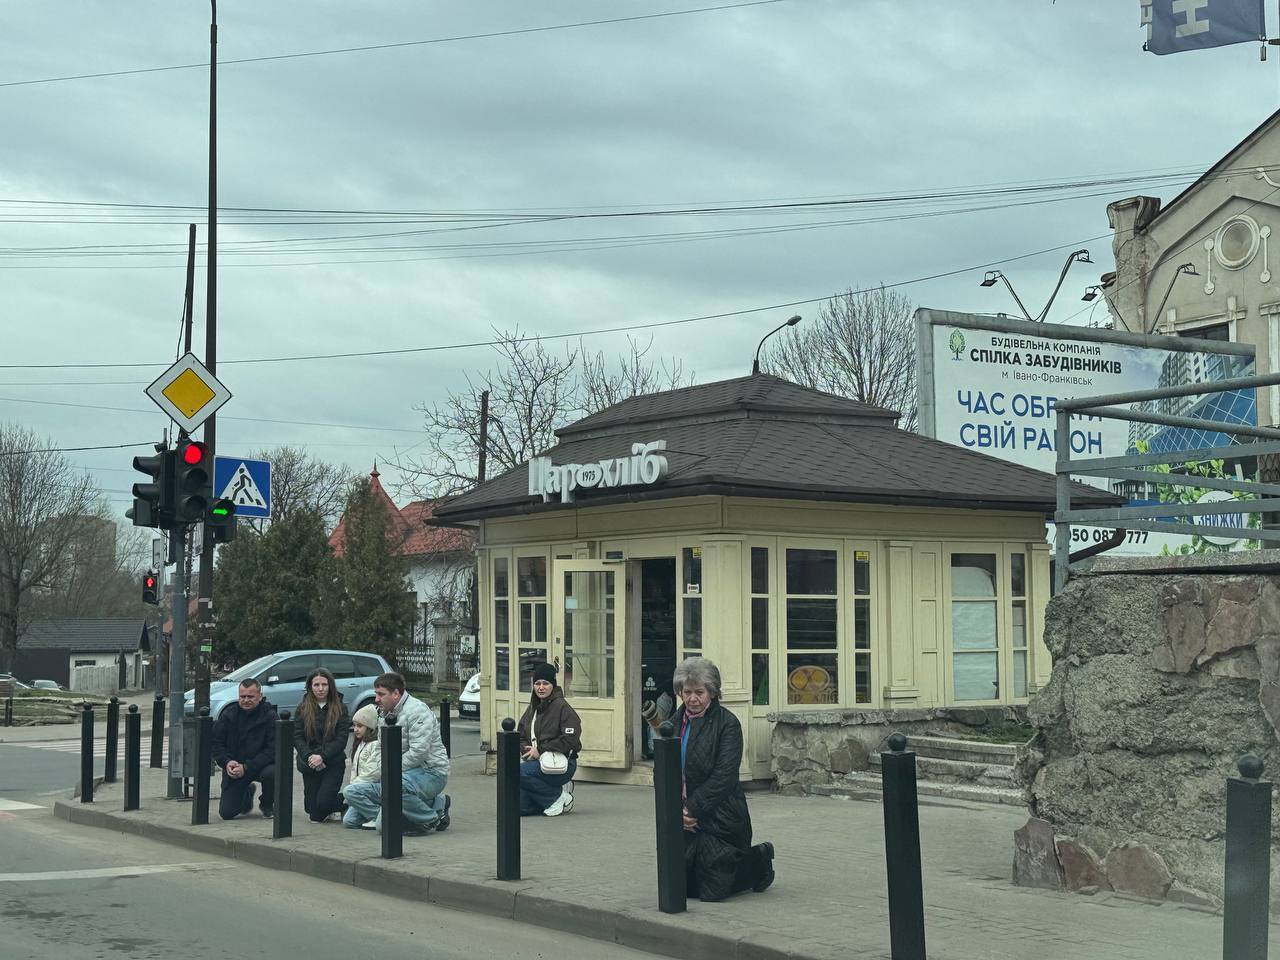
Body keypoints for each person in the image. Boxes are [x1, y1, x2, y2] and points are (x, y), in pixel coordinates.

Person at [673, 656, 775, 900]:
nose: (692, 699)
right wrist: (675, 810)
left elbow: (724, 776)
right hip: (684, 816)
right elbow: (663, 770)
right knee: (682, 887)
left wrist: (692, 809)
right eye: (687, 692)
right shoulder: (674, 723)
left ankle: (758, 860)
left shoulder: (727, 724)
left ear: (712, 692)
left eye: (699, 692)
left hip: (721, 816)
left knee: (713, 891)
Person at [343, 672, 451, 836]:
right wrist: (384, 767)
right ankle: (422, 806)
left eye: (381, 694)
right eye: (376, 694)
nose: (376, 699)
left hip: (430, 773)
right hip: (398, 774)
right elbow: (380, 748)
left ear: (395, 694)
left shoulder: (418, 711)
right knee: (351, 797)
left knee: (385, 824)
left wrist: (391, 771)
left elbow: (419, 752)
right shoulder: (384, 713)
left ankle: (430, 818)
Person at [516, 661, 581, 817]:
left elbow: (570, 739)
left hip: (562, 763)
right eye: (537, 683)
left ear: (553, 685)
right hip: (536, 762)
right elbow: (521, 734)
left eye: (545, 683)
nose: (541, 687)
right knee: (520, 808)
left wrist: (540, 750)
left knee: (515, 771)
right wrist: (527, 750)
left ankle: (557, 797)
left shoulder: (562, 707)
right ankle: (551, 796)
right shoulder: (532, 708)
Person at [211, 678, 278, 821]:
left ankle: (267, 804)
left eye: (250, 696)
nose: (246, 700)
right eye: (242, 696)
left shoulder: (270, 716)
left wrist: (247, 767)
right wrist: (227, 763)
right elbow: (217, 744)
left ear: (260, 696)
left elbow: (273, 750)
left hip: (261, 766)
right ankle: (246, 793)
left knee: (272, 773)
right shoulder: (228, 715)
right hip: (236, 767)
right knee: (227, 813)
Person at [293, 667, 351, 823]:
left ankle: (348, 801)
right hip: (310, 763)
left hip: (333, 762)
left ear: (330, 686)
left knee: (322, 806)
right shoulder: (302, 708)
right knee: (312, 811)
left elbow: (341, 739)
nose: (320, 689)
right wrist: (309, 756)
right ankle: (327, 805)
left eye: (324, 684)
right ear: (310, 687)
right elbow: (297, 737)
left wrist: (322, 756)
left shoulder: (340, 708)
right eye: (316, 685)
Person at [341, 704, 382, 829]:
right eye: (354, 726)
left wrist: (352, 789)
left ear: (370, 727)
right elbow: (355, 771)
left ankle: (379, 817)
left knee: (348, 792)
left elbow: (372, 773)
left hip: (372, 788)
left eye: (359, 726)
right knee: (349, 821)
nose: (355, 729)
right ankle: (375, 813)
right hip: (359, 788)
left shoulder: (376, 745)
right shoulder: (360, 743)